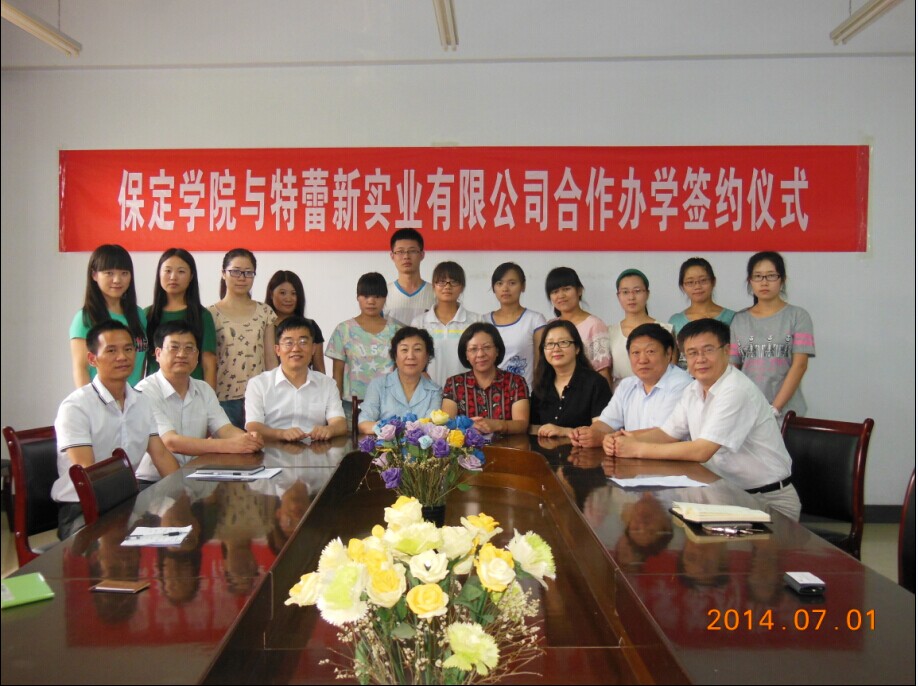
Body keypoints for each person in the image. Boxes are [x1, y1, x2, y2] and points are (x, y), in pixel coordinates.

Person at [607, 318, 801, 520]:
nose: (700, 359)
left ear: (726, 350)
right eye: (692, 353)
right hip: (727, 494)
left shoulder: (735, 390)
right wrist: (623, 439)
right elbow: (667, 433)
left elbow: (702, 450)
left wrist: (637, 449)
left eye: (708, 350)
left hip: (767, 500)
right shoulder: (693, 389)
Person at [52, 321, 180, 538]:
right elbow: (87, 471)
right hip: (82, 508)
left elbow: (160, 455)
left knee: (179, 531)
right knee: (119, 549)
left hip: (126, 504)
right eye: (111, 351)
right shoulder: (76, 407)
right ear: (92, 359)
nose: (122, 357)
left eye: (128, 349)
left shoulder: (142, 402)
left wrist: (183, 494)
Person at [135, 321, 264, 483]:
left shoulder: (203, 389)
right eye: (174, 347)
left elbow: (224, 429)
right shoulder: (145, 391)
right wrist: (230, 445)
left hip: (196, 477)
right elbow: (170, 441)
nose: (182, 354)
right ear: (158, 354)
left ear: (197, 356)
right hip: (152, 483)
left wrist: (248, 440)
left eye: (189, 348)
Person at [571, 323, 691, 447]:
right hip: (631, 454)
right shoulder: (627, 385)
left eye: (650, 351)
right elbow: (606, 422)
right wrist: (588, 434)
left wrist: (606, 438)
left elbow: (665, 434)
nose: (642, 360)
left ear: (668, 353)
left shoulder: (682, 384)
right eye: (635, 353)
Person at [729, 251, 815, 420]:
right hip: (748, 410)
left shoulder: (798, 316)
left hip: (787, 413)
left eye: (771, 276)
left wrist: (774, 408)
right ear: (750, 281)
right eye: (758, 276)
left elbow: (800, 365)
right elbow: (733, 368)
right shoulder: (739, 319)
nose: (764, 282)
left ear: (782, 280)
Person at [244, 316, 347, 441]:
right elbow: (253, 427)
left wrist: (329, 430)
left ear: (313, 348)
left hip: (315, 448)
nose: (296, 349)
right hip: (272, 447)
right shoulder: (258, 384)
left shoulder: (327, 384)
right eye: (289, 343)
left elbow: (340, 423)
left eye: (303, 342)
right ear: (277, 350)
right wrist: (281, 434)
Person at [209, 248, 277, 429]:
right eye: (235, 271)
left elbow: (271, 358)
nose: (242, 278)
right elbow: (209, 361)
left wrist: (275, 394)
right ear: (223, 273)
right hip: (223, 399)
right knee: (228, 446)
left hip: (260, 398)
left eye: (248, 273)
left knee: (262, 445)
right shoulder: (210, 314)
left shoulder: (265, 312)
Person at [326, 272, 401, 425]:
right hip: (350, 408)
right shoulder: (343, 329)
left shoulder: (396, 330)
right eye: (365, 296)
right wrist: (335, 410)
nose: (371, 301)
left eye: (377, 296)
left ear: (385, 298)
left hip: (387, 407)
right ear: (357, 297)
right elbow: (337, 374)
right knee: (349, 441)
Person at [70, 244, 148, 389]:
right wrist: (91, 401)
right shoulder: (85, 318)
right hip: (101, 398)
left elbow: (140, 363)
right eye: (109, 273)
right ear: (94, 275)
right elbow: (81, 369)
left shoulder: (139, 315)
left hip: (134, 398)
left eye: (124, 273)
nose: (117, 280)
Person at [145, 248, 217, 388]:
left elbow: (209, 363)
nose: (173, 277)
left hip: (192, 392)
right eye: (167, 271)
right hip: (155, 392)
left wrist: (210, 396)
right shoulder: (147, 315)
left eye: (181, 271)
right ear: (159, 274)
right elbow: (140, 361)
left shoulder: (202, 316)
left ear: (191, 276)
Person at [442, 322, 529, 435]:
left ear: (497, 350)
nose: (480, 354)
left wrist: (498, 425)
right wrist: (468, 427)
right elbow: (447, 424)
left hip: (508, 446)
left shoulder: (515, 382)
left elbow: (522, 425)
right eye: (473, 349)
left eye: (487, 347)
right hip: (466, 446)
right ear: (466, 355)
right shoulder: (453, 384)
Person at [530, 320, 611, 438]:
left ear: (577, 348)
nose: (556, 349)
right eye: (550, 344)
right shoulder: (541, 385)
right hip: (545, 450)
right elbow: (533, 428)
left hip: (585, 449)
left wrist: (565, 432)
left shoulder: (596, 383)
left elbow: (602, 431)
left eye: (563, 342)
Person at [357, 327, 442, 433]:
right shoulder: (378, 385)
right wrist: (393, 432)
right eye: (404, 350)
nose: (410, 356)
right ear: (395, 356)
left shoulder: (435, 391)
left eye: (417, 349)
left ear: (427, 356)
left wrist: (391, 428)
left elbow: (431, 427)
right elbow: (364, 424)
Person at [410, 261, 481, 387]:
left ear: (462, 287)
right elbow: (412, 359)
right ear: (433, 286)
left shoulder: (475, 321)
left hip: (467, 392)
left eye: (453, 282)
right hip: (429, 392)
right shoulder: (419, 323)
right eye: (442, 282)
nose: (447, 286)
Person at [539, 267, 612, 388]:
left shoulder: (594, 325)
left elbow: (603, 372)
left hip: (587, 392)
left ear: (579, 291)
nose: (561, 295)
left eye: (566, 289)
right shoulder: (550, 326)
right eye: (555, 291)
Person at [609, 269, 676, 392]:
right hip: (620, 394)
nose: (631, 297)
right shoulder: (609, 332)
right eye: (625, 292)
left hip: (658, 393)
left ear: (647, 294)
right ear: (618, 296)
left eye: (637, 291)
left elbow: (673, 371)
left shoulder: (665, 330)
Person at [668, 257, 735, 369]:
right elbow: (672, 361)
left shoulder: (733, 317)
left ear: (713, 281)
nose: (697, 287)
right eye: (690, 282)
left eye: (703, 280)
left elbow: (736, 357)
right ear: (682, 286)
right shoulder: (675, 321)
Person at [487, 262, 546, 389]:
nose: (505, 288)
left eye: (512, 283)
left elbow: (540, 364)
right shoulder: (483, 321)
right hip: (490, 393)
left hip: (524, 393)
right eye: (499, 283)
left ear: (523, 286)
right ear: (493, 288)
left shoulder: (535, 320)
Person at [265, 269, 326, 373]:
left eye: (294, 293)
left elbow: (319, 369)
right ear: (271, 294)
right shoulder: (263, 326)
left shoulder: (310, 326)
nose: (288, 298)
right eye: (282, 293)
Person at [383, 228, 436, 326]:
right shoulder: (383, 293)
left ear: (422, 255)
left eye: (412, 251)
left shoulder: (436, 293)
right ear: (392, 256)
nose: (406, 256)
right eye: (400, 251)